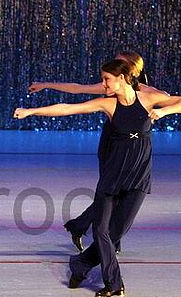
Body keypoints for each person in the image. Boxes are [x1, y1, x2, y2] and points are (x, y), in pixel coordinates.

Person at [14, 58, 181, 297]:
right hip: (112, 175)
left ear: (122, 78)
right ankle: (114, 283)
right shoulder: (108, 104)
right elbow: (69, 108)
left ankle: (80, 264)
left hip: (138, 176)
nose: (103, 83)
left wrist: (164, 111)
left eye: (107, 79)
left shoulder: (149, 98)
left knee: (115, 233)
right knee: (101, 230)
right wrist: (32, 112)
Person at [28, 51, 169, 253]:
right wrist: (46, 84)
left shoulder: (144, 92)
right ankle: (98, 236)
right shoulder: (109, 86)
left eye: (119, 63)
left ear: (128, 70)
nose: (113, 66)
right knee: (110, 191)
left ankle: (85, 229)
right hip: (112, 142)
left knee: (121, 192)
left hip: (133, 146)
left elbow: (171, 99)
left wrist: (162, 110)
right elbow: (77, 90)